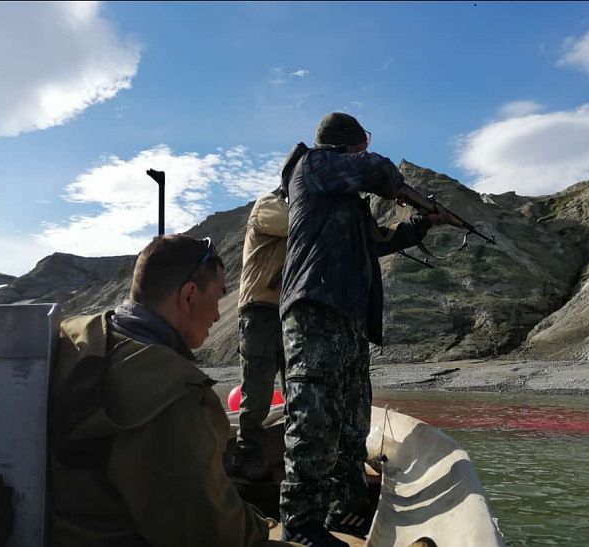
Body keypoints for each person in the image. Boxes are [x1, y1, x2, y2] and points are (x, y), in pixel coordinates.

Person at [48, 234, 295, 547]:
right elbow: (212, 532)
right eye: (218, 297)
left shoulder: (71, 336)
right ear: (189, 296)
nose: (219, 315)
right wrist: (262, 526)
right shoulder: (178, 394)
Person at [278, 112, 448, 546]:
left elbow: (378, 241)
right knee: (314, 417)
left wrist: (423, 221)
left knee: (351, 419)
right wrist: (409, 194)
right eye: (362, 143)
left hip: (348, 317)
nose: (365, 150)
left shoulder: (342, 195)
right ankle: (301, 524)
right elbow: (379, 170)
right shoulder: (314, 166)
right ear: (349, 144)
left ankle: (343, 505)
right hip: (315, 309)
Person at [231, 187, 289, 483]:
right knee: (257, 391)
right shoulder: (268, 205)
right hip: (259, 310)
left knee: (294, 388)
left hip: (285, 312)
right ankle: (248, 456)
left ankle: (293, 453)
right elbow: (295, 222)